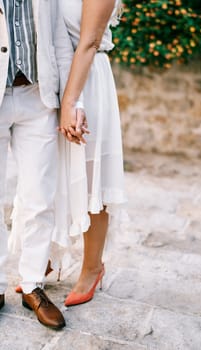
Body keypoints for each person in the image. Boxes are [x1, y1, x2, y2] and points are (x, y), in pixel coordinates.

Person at [53, 0, 127, 306]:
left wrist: (71, 102)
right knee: (50, 171)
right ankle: (47, 254)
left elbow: (89, 41)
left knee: (91, 174)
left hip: (88, 77)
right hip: (55, 74)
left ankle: (92, 267)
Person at [0, 0, 66, 329]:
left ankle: (32, 285)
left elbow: (58, 39)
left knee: (40, 198)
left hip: (38, 97)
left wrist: (71, 101)